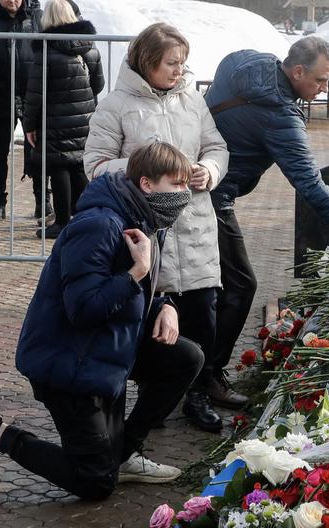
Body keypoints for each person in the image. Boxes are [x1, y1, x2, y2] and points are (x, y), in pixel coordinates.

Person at [0, 142, 203, 499]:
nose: (184, 193)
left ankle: (122, 454)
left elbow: (139, 290)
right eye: (176, 185)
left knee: (186, 357)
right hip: (70, 366)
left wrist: (165, 305)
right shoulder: (99, 226)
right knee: (95, 482)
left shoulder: (145, 219)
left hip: (106, 355)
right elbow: (84, 309)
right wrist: (137, 271)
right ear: (147, 185)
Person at [204, 36, 329, 417]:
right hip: (211, 196)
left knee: (208, 287)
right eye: (320, 81)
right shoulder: (281, 118)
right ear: (298, 71)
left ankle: (191, 372)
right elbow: (310, 185)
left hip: (188, 182)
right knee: (241, 284)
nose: (324, 91)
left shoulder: (244, 57)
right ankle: (206, 377)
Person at [83, 23, 229, 432]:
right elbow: (94, 164)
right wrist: (148, 172)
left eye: (183, 63)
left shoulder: (192, 100)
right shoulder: (116, 105)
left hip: (196, 226)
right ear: (147, 62)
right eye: (171, 63)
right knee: (152, 319)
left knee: (202, 314)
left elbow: (217, 146)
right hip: (146, 230)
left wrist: (209, 170)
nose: (179, 71)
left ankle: (197, 397)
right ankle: (153, 397)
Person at [23, 0, 103, 239]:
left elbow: (35, 94)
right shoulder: (90, 46)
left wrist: (29, 125)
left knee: (59, 167)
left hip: (55, 120)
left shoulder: (46, 50)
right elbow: (98, 84)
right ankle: (86, 218)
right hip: (85, 118)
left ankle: (61, 221)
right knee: (79, 166)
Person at [0, 0, 42, 222]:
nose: (12, 1)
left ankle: (42, 201)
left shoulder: (36, 17)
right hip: (0, 92)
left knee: (38, 150)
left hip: (32, 94)